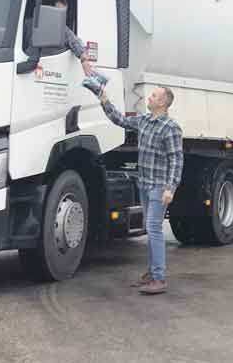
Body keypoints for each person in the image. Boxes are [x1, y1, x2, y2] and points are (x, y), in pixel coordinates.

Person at [84, 59, 183, 295]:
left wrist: (170, 188)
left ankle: (159, 278)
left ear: (163, 103)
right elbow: (119, 119)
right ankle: (152, 272)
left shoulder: (170, 128)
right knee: (151, 228)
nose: (150, 97)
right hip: (145, 184)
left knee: (154, 228)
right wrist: (103, 97)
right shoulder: (145, 121)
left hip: (159, 187)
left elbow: (176, 160)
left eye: (154, 96)